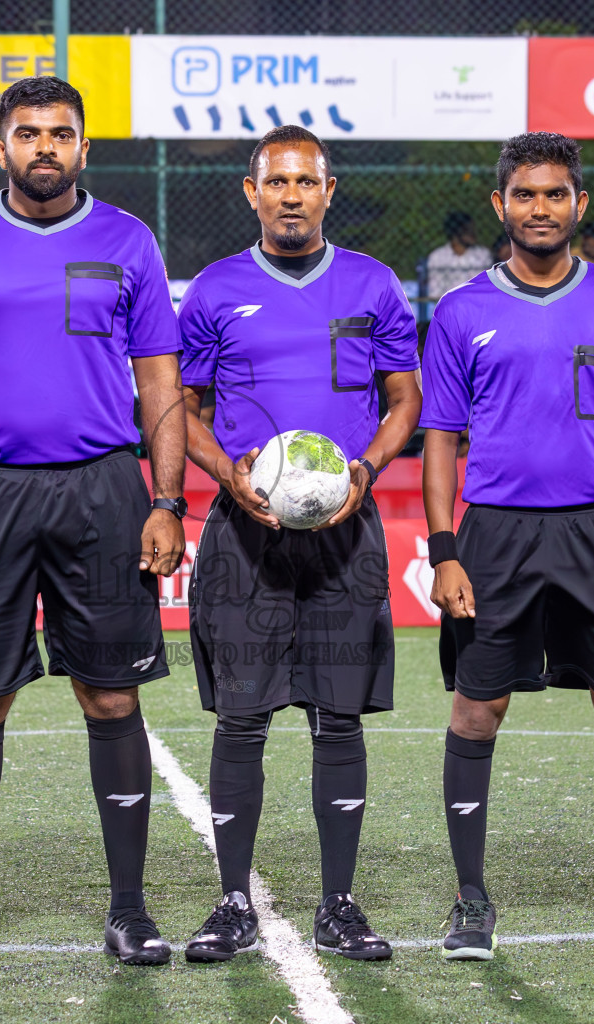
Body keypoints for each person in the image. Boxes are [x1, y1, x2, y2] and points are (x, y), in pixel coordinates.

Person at [0, 76, 186, 971]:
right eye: (28, 133)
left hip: (105, 488)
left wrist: (167, 501)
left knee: (111, 695)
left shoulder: (128, 240)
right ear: (1, 148)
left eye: (61, 133)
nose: (45, 147)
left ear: (84, 148)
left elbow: (162, 385)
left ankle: (129, 912)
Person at [421, 132, 594, 961]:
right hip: (494, 534)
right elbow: (440, 440)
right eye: (524, 195)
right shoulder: (461, 311)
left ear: (579, 205)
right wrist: (445, 547)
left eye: (555, 195)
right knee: (476, 708)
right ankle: (470, 901)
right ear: (501, 205)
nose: (540, 208)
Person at [177, 126, 423, 963]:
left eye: (305, 182)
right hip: (246, 538)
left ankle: (340, 905)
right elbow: (185, 414)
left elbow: (405, 399)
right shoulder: (213, 290)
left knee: (338, 720)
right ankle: (233, 901)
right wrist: (228, 475)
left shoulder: (373, 285)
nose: (290, 194)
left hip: (344, 536)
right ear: (252, 192)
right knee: (241, 721)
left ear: (327, 190)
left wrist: (368, 468)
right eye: (275, 181)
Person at [424, 211, 492, 299]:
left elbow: (484, 289)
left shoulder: (482, 255)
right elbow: (435, 293)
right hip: (448, 306)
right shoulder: (437, 257)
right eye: (467, 230)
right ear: (456, 232)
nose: (473, 233)